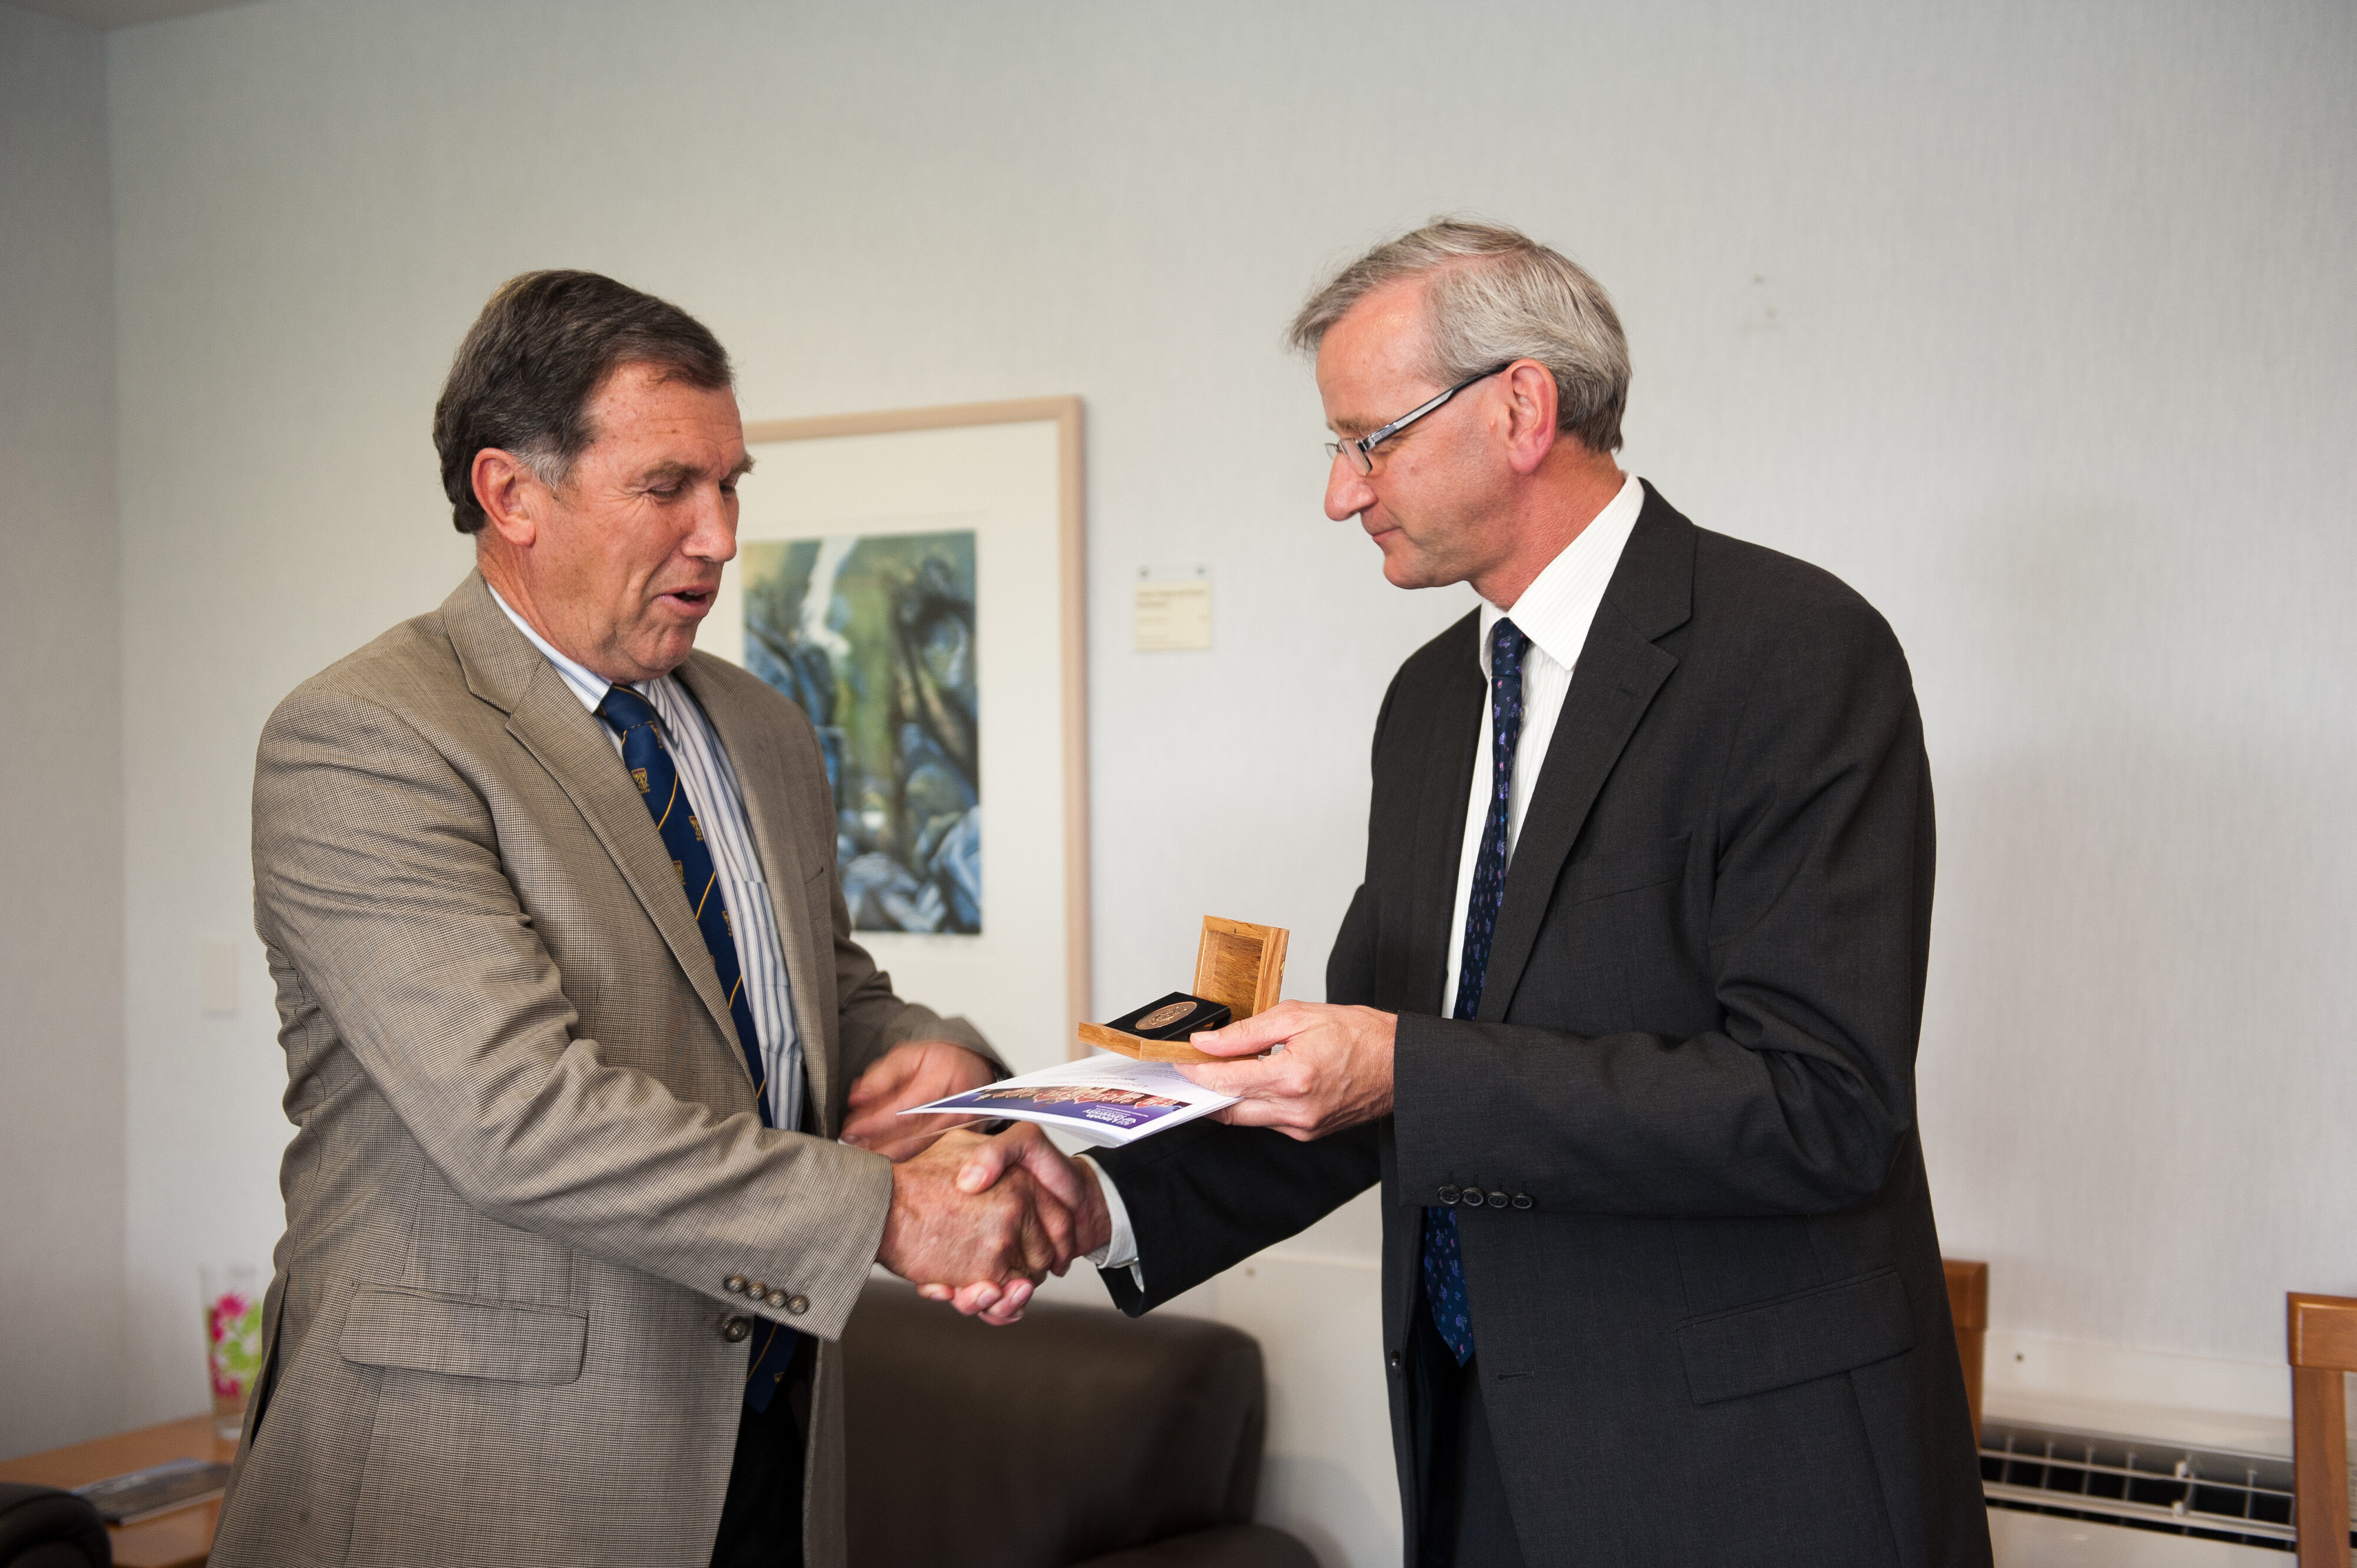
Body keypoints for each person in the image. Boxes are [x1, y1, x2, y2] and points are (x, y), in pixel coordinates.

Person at [959, 220, 1990, 1566]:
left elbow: (1820, 1106)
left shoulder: (1793, 654)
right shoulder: (1432, 700)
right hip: (1476, 1452)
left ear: (1519, 405)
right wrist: (1100, 1205)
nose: (1341, 493)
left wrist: (1397, 1065)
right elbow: (1367, 1075)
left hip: (1742, 1471)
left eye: (1366, 441)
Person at [212, 270, 1083, 1568]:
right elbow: (519, 1118)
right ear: (512, 494)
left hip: (768, 1449)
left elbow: (818, 993)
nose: (721, 534)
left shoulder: (762, 726)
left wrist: (943, 1065)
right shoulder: (368, 740)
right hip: (486, 1477)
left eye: (732, 484)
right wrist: (887, 1213)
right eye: (668, 486)